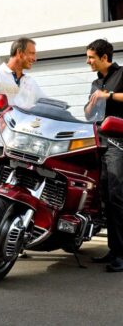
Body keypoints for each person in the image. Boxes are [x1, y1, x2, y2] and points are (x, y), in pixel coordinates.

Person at [0, 37, 45, 223]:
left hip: (24, 148)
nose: (34, 58)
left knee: (21, 195)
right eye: (31, 53)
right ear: (19, 53)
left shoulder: (30, 82)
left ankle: (13, 243)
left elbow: (45, 103)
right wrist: (10, 112)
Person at [84, 39, 123, 272]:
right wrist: (90, 105)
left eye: (91, 57)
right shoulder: (95, 82)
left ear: (104, 57)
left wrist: (107, 95)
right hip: (100, 143)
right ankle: (114, 250)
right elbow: (89, 113)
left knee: (118, 196)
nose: (88, 61)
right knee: (107, 198)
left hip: (119, 143)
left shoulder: (122, 74)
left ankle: (122, 254)